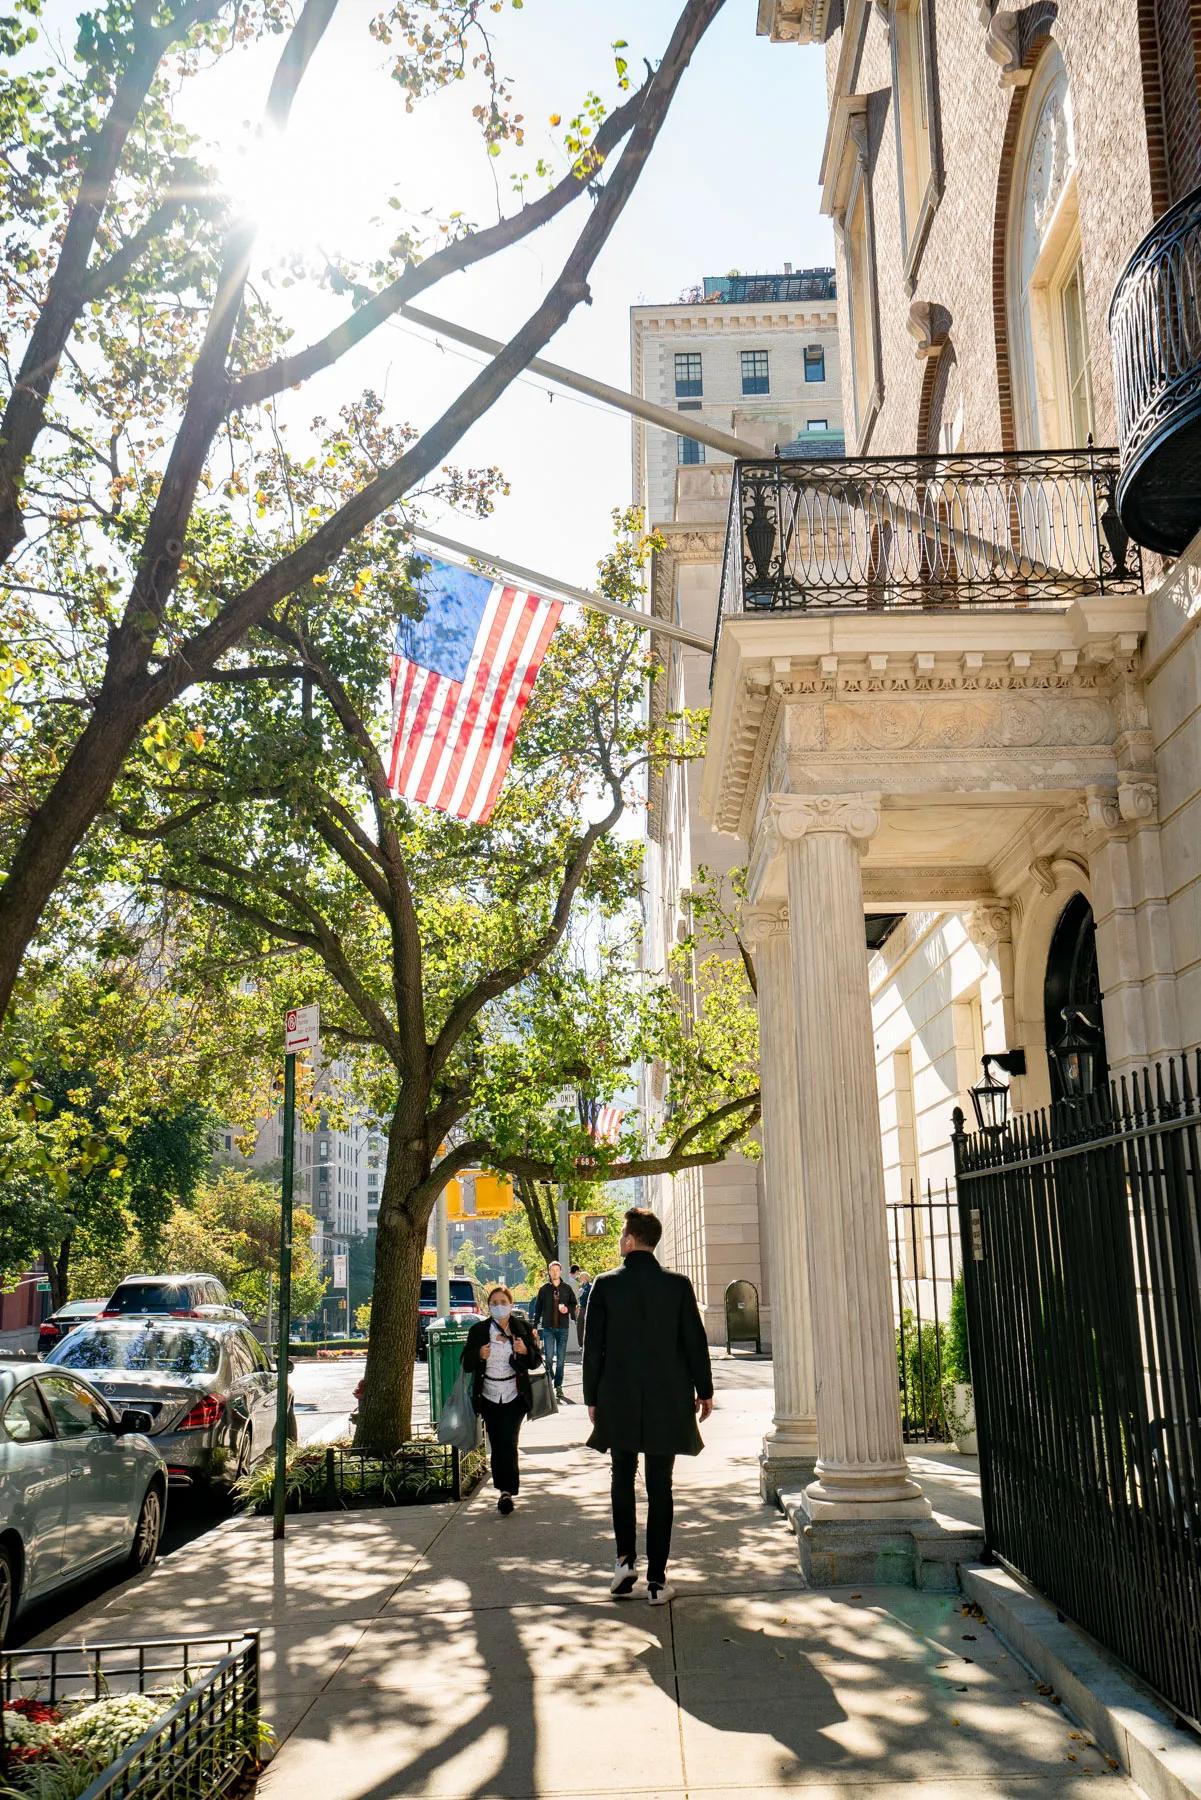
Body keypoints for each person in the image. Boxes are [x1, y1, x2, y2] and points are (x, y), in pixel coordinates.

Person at [583, 1207, 713, 1606]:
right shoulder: (677, 1286)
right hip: (667, 1398)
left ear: (630, 1239)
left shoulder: (605, 1286)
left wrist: (592, 1397)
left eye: (623, 1233)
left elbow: (593, 1350)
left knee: (621, 1475)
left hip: (618, 1397)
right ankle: (657, 1580)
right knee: (660, 1486)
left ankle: (624, 1562)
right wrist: (704, 1391)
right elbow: (694, 1340)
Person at [461, 1285, 543, 1514]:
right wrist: (479, 1355)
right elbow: (466, 1363)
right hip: (488, 1395)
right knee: (497, 1444)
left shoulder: (523, 1328)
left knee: (510, 1441)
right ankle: (503, 1490)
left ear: (511, 1304)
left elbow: (536, 1362)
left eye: (502, 1302)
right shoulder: (479, 1330)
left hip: (514, 1395)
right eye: (494, 1303)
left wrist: (525, 1351)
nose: (499, 1306)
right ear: (489, 1306)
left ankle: (508, 1491)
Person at [532, 1260, 577, 1402]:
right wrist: (534, 1326)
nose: (555, 1272)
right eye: (552, 1270)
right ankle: (550, 1381)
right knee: (549, 1358)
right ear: (549, 1272)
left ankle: (558, 1386)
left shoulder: (567, 1288)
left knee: (561, 1360)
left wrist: (567, 1309)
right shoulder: (544, 1289)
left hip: (563, 1328)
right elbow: (538, 1308)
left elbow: (574, 1303)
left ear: (561, 1271)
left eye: (557, 1270)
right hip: (548, 1328)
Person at [573, 1265, 592, 1348]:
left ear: (587, 1277)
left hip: (587, 1308)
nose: (581, 1278)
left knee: (586, 1326)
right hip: (581, 1308)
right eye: (581, 1277)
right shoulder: (581, 1287)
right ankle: (580, 1344)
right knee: (579, 1326)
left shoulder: (590, 1286)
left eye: (583, 1276)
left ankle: (586, 1343)